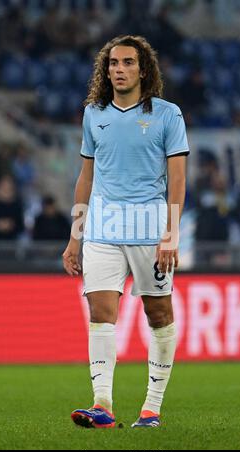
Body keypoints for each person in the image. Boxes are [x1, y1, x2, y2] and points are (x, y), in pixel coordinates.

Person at [62, 35, 189, 428]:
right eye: (113, 63)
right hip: (102, 230)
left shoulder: (168, 115)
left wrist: (171, 234)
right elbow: (86, 177)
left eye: (128, 63)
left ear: (143, 69)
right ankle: (102, 404)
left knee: (159, 313)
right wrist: (75, 235)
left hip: (150, 233)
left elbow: (178, 178)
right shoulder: (93, 113)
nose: (119, 69)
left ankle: (151, 409)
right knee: (100, 313)